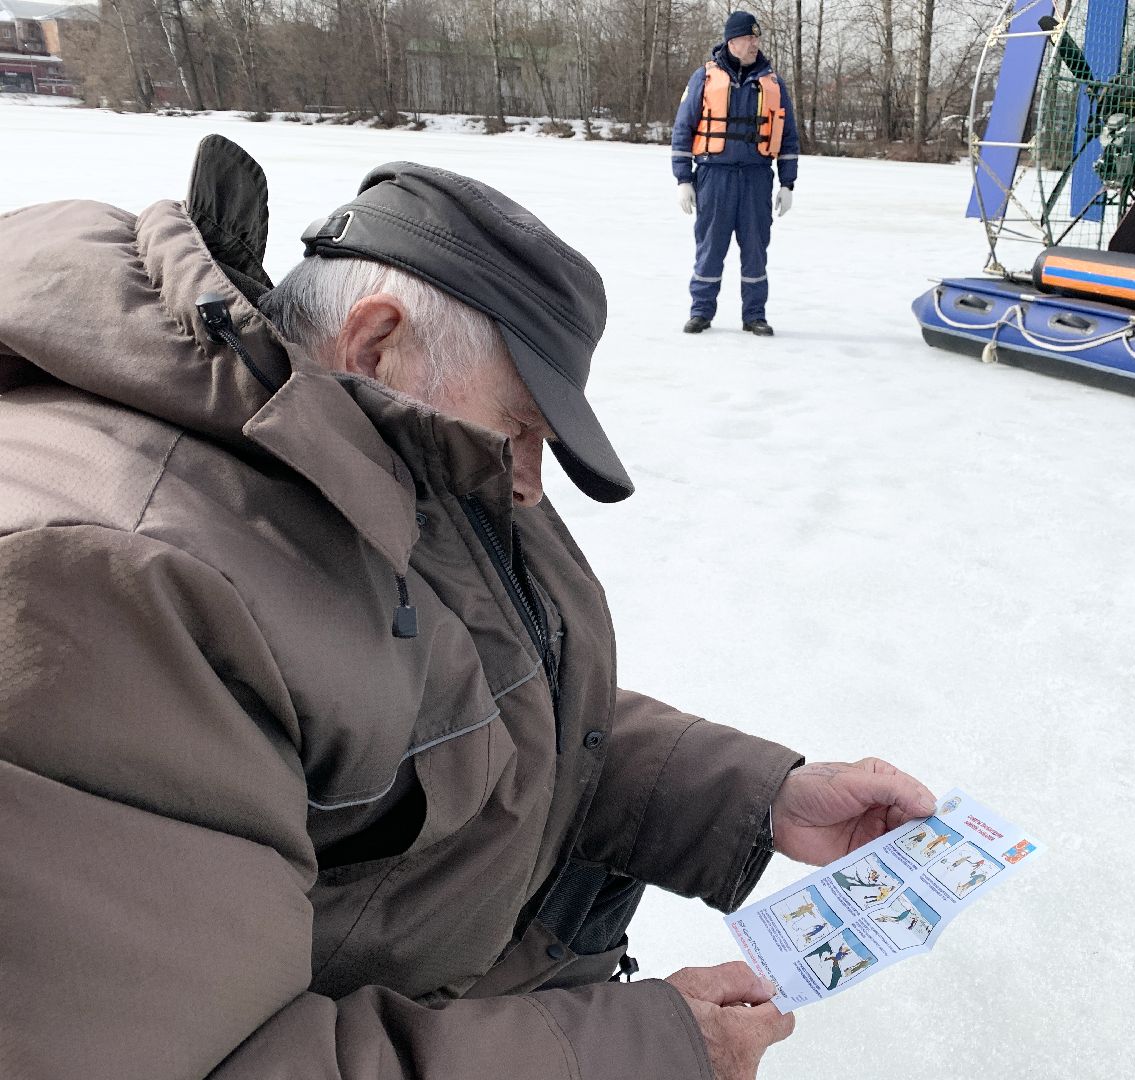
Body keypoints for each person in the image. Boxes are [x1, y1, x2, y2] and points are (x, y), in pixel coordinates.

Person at [0, 136, 935, 1080]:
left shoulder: (375, 466)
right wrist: (636, 1054)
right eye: (521, 429)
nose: (529, 483)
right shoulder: (117, 584)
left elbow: (480, 713)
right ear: (374, 342)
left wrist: (754, 797)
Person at [671, 9, 800, 336]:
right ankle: (701, 311)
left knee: (756, 250)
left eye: (757, 38)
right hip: (715, 177)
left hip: (757, 178)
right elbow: (683, 130)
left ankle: (754, 315)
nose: (755, 43)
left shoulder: (773, 83)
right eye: (748, 38)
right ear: (732, 41)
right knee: (710, 247)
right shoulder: (704, 77)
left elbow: (788, 137)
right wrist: (683, 179)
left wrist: (788, 183)